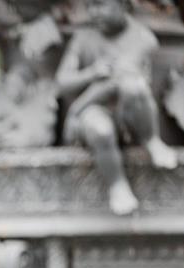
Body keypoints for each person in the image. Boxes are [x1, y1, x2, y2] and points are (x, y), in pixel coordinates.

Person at [55, 0, 177, 215]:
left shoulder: (142, 38)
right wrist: (92, 72)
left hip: (128, 112)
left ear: (122, 5)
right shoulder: (82, 38)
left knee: (134, 87)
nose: (94, 13)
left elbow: (116, 83)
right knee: (99, 129)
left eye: (100, 4)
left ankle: (151, 139)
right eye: (89, 6)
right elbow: (62, 82)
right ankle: (118, 185)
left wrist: (77, 108)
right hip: (96, 112)